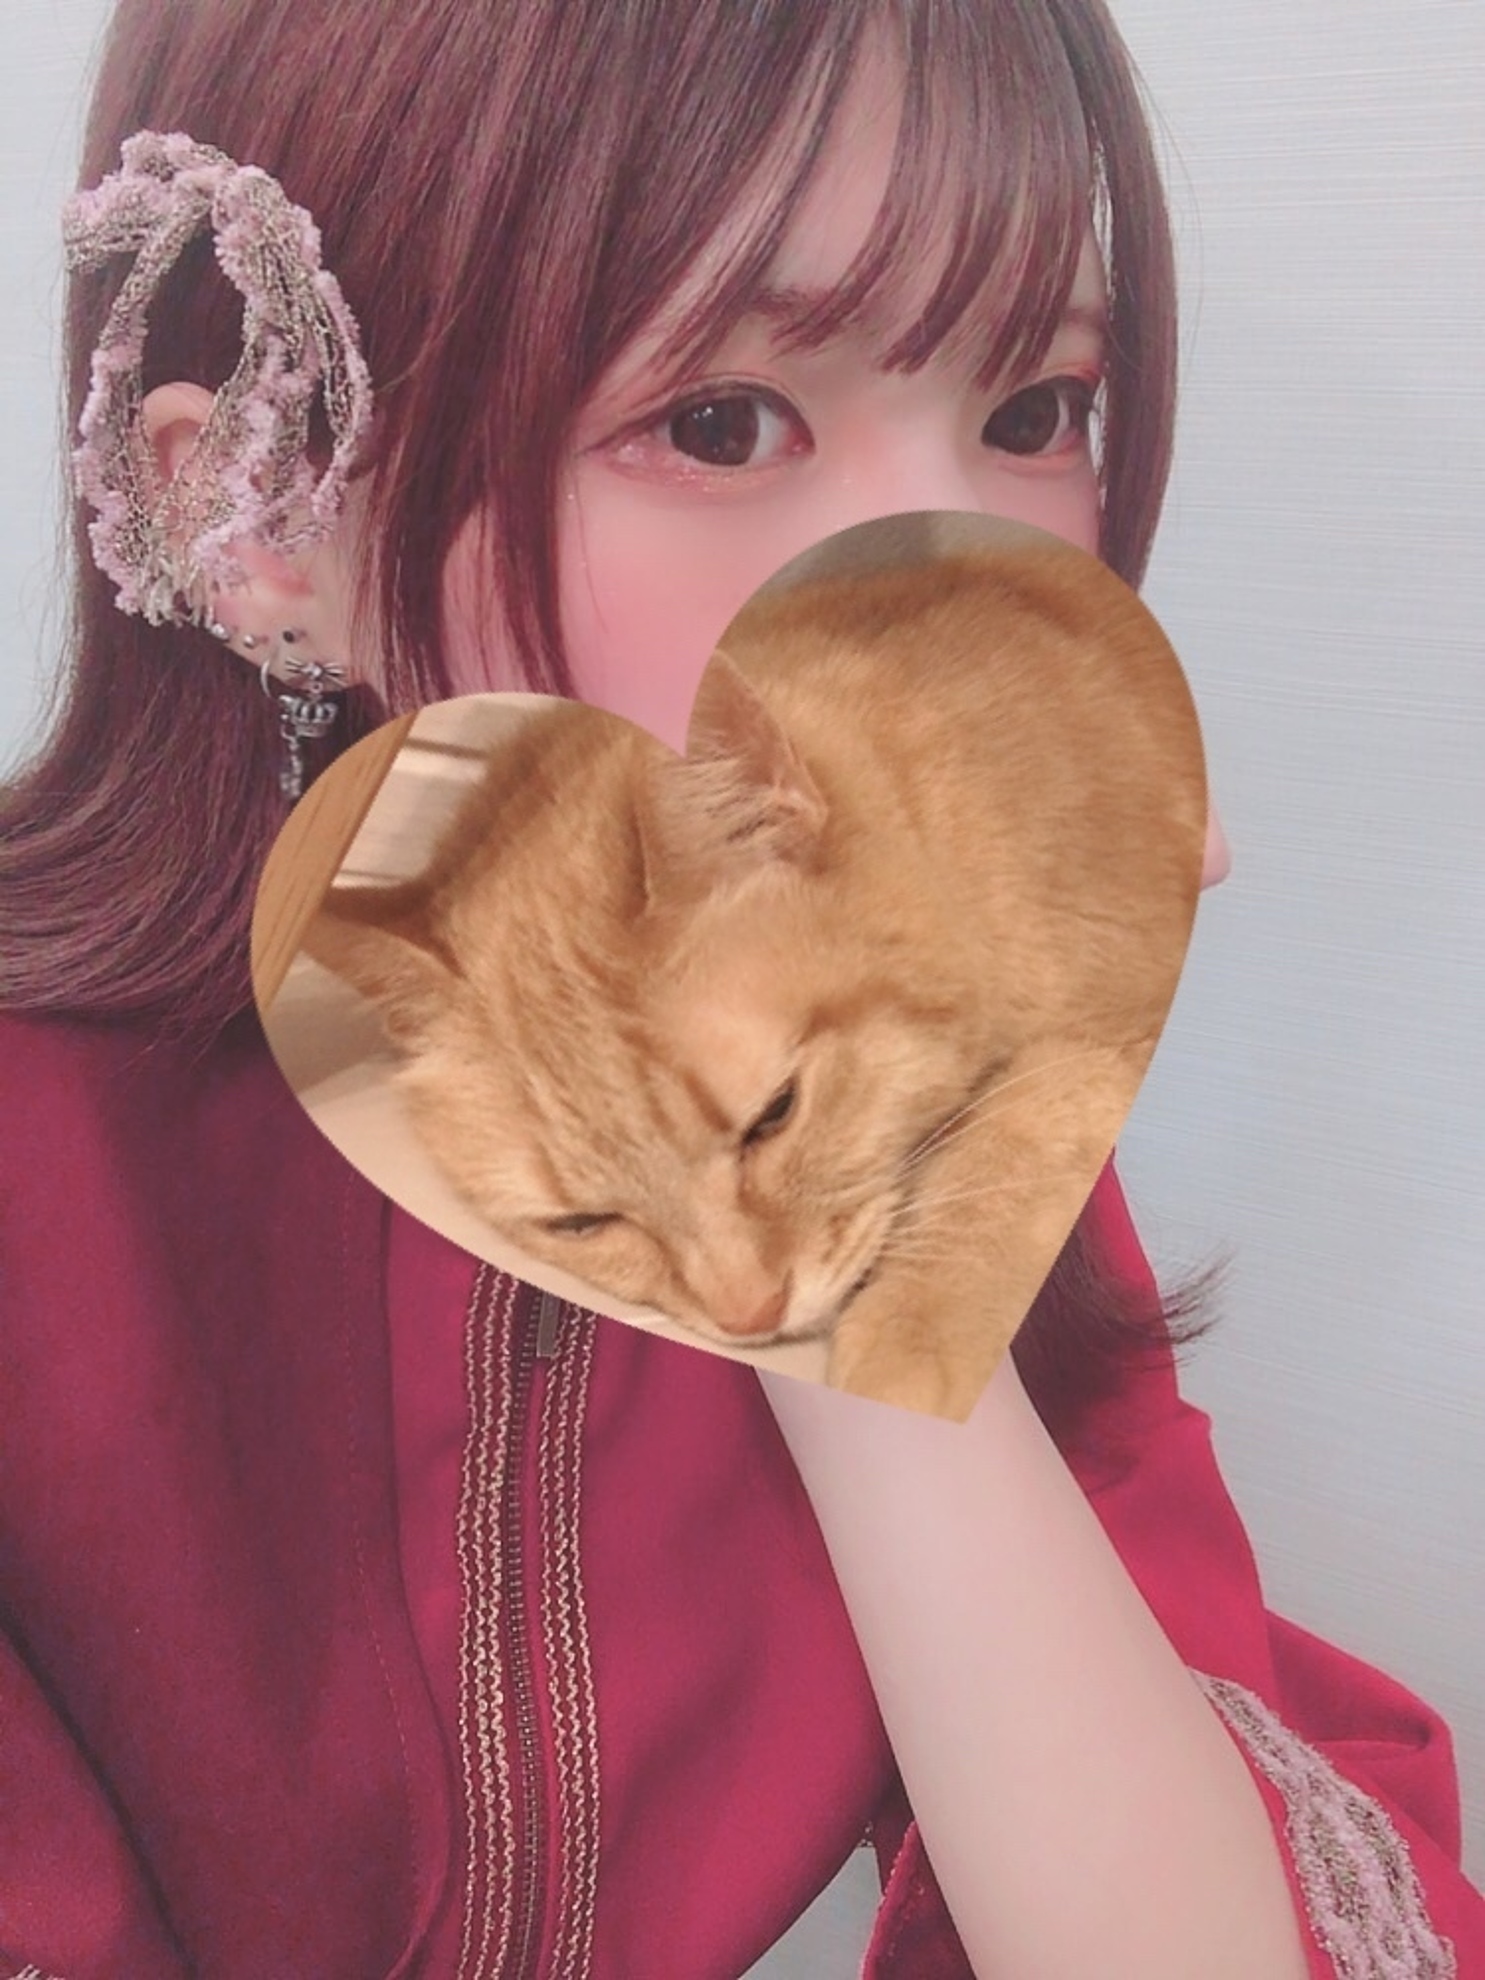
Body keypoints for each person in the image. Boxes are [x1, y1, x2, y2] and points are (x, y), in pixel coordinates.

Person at [0, 2, 1480, 1975]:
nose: (950, 598)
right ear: (255, 517)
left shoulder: (915, 1116)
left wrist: (848, 1259)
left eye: (1035, 411)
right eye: (718, 424)